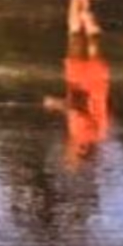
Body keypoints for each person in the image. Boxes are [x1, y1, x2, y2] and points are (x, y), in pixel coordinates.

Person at [41, 28, 110, 171]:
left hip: (96, 85)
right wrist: (55, 103)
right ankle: (83, 14)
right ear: (82, 150)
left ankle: (88, 21)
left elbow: (79, 110)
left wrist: (61, 106)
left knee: (92, 47)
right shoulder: (84, 136)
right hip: (84, 84)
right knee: (75, 41)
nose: (66, 151)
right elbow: (78, 107)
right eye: (69, 154)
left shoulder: (96, 136)